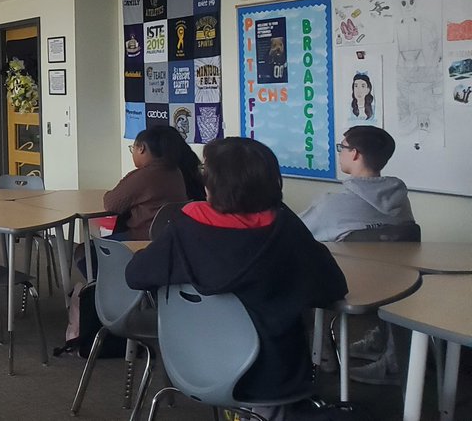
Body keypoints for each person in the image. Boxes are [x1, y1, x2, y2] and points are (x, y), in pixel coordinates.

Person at [127, 138, 347, 417]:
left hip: (192, 363)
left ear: (211, 186)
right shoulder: (286, 230)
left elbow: (135, 276)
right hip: (271, 378)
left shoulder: (184, 231)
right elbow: (333, 287)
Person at [300, 125, 414, 385]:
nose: (339, 152)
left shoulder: (332, 205)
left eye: (342, 147)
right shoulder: (399, 198)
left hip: (349, 290)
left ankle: (322, 353)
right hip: (399, 287)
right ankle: (380, 343)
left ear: (355, 154)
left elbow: (295, 235)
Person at [103, 125, 205, 240]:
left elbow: (111, 204)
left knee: (86, 249)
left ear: (141, 148)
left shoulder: (143, 176)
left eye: (133, 148)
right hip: (172, 239)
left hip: (141, 240)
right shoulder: (177, 172)